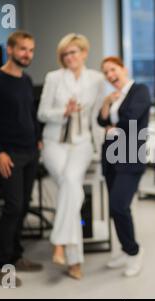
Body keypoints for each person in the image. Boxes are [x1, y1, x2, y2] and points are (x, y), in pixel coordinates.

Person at [38, 33, 105, 280]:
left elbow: (97, 116)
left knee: (69, 181)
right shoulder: (53, 78)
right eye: (65, 54)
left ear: (84, 53)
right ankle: (74, 260)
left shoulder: (96, 79)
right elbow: (42, 113)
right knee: (72, 186)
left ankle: (59, 242)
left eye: (74, 52)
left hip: (82, 143)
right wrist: (62, 112)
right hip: (54, 142)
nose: (69, 57)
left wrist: (102, 145)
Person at [0, 31, 43, 287]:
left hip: (30, 152)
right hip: (10, 154)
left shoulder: (27, 80)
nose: (27, 54)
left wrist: (38, 137)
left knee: (23, 205)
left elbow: (30, 112)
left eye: (30, 50)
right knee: (13, 207)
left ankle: (16, 256)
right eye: (22, 49)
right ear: (10, 49)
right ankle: (0, 266)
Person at [97, 56, 151, 277]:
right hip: (111, 155)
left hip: (130, 155)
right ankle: (125, 248)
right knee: (114, 208)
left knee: (119, 206)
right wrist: (107, 103)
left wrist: (111, 127)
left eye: (113, 70)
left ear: (123, 69)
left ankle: (134, 251)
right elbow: (100, 121)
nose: (110, 75)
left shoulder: (139, 90)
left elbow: (131, 119)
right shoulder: (113, 96)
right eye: (106, 73)